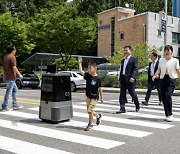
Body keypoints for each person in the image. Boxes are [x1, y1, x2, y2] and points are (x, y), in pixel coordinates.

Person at [152, 45, 180, 122]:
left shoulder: (175, 60)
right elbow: (159, 69)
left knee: (168, 96)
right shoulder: (161, 60)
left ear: (171, 51)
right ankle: (167, 114)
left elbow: (177, 70)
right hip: (162, 79)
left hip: (171, 79)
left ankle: (170, 114)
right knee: (163, 97)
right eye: (165, 50)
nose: (167, 52)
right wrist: (155, 75)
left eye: (168, 50)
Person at [78, 57, 103, 131]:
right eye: (88, 68)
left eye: (90, 68)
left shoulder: (98, 79)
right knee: (90, 111)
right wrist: (80, 63)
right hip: (88, 96)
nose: (89, 69)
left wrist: (101, 97)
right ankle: (98, 116)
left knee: (89, 111)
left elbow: (100, 88)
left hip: (94, 97)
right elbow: (81, 71)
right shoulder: (88, 76)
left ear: (95, 68)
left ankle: (90, 124)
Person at [116, 45, 140, 114]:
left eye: (126, 50)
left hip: (130, 79)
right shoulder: (123, 60)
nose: (125, 52)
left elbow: (135, 69)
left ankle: (137, 104)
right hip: (123, 79)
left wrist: (133, 77)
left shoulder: (133, 59)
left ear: (130, 51)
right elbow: (121, 70)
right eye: (124, 50)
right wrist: (119, 78)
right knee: (122, 93)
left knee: (132, 93)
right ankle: (122, 108)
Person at [2, 44, 23, 111]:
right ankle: (4, 106)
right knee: (9, 91)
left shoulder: (5, 57)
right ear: (12, 50)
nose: (15, 50)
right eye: (15, 49)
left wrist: (4, 76)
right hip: (11, 77)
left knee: (15, 90)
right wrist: (19, 75)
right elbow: (14, 67)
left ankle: (15, 104)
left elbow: (3, 68)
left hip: (8, 76)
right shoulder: (12, 57)